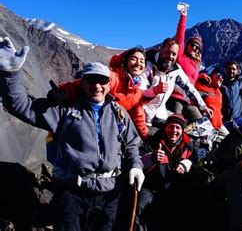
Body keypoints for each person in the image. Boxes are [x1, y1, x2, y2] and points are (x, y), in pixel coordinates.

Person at [0, 37, 145, 230]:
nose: (97, 85)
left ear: (110, 85)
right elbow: (21, 106)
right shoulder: (64, 111)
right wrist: (11, 74)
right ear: (82, 83)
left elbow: (132, 144)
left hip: (109, 195)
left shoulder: (119, 114)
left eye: (102, 80)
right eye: (91, 79)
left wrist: (135, 165)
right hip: (71, 194)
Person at [55, 46, 150, 139]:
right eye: (133, 59)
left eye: (142, 61)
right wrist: (63, 91)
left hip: (112, 133)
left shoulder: (137, 92)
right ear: (124, 61)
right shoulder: (113, 77)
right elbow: (83, 84)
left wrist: (146, 136)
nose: (138, 63)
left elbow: (138, 116)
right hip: (89, 126)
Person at [136, 114, 197, 230]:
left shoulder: (188, 145)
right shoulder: (152, 141)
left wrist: (186, 164)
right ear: (165, 128)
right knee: (140, 209)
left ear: (182, 130)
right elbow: (136, 162)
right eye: (171, 127)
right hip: (151, 187)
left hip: (174, 188)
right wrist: (152, 158)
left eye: (177, 128)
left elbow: (195, 160)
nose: (174, 130)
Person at [141, 38, 213, 128]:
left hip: (160, 115)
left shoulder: (175, 70)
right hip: (142, 116)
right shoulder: (147, 65)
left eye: (174, 54)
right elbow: (139, 93)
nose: (171, 56)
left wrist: (203, 106)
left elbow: (188, 88)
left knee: (180, 130)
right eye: (168, 52)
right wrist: (155, 91)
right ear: (161, 49)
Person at [166, 5, 206, 121]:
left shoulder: (196, 64)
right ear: (187, 45)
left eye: (197, 47)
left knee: (200, 122)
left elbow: (191, 79)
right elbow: (180, 36)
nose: (194, 47)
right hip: (175, 97)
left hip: (188, 100)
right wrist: (183, 17)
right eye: (192, 44)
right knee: (175, 121)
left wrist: (202, 76)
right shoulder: (180, 56)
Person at [194, 66, 229, 141]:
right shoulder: (203, 85)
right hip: (206, 124)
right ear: (212, 74)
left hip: (218, 125)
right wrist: (200, 76)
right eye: (219, 74)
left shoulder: (219, 92)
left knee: (229, 139)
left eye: (223, 76)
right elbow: (191, 82)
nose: (220, 78)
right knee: (209, 145)